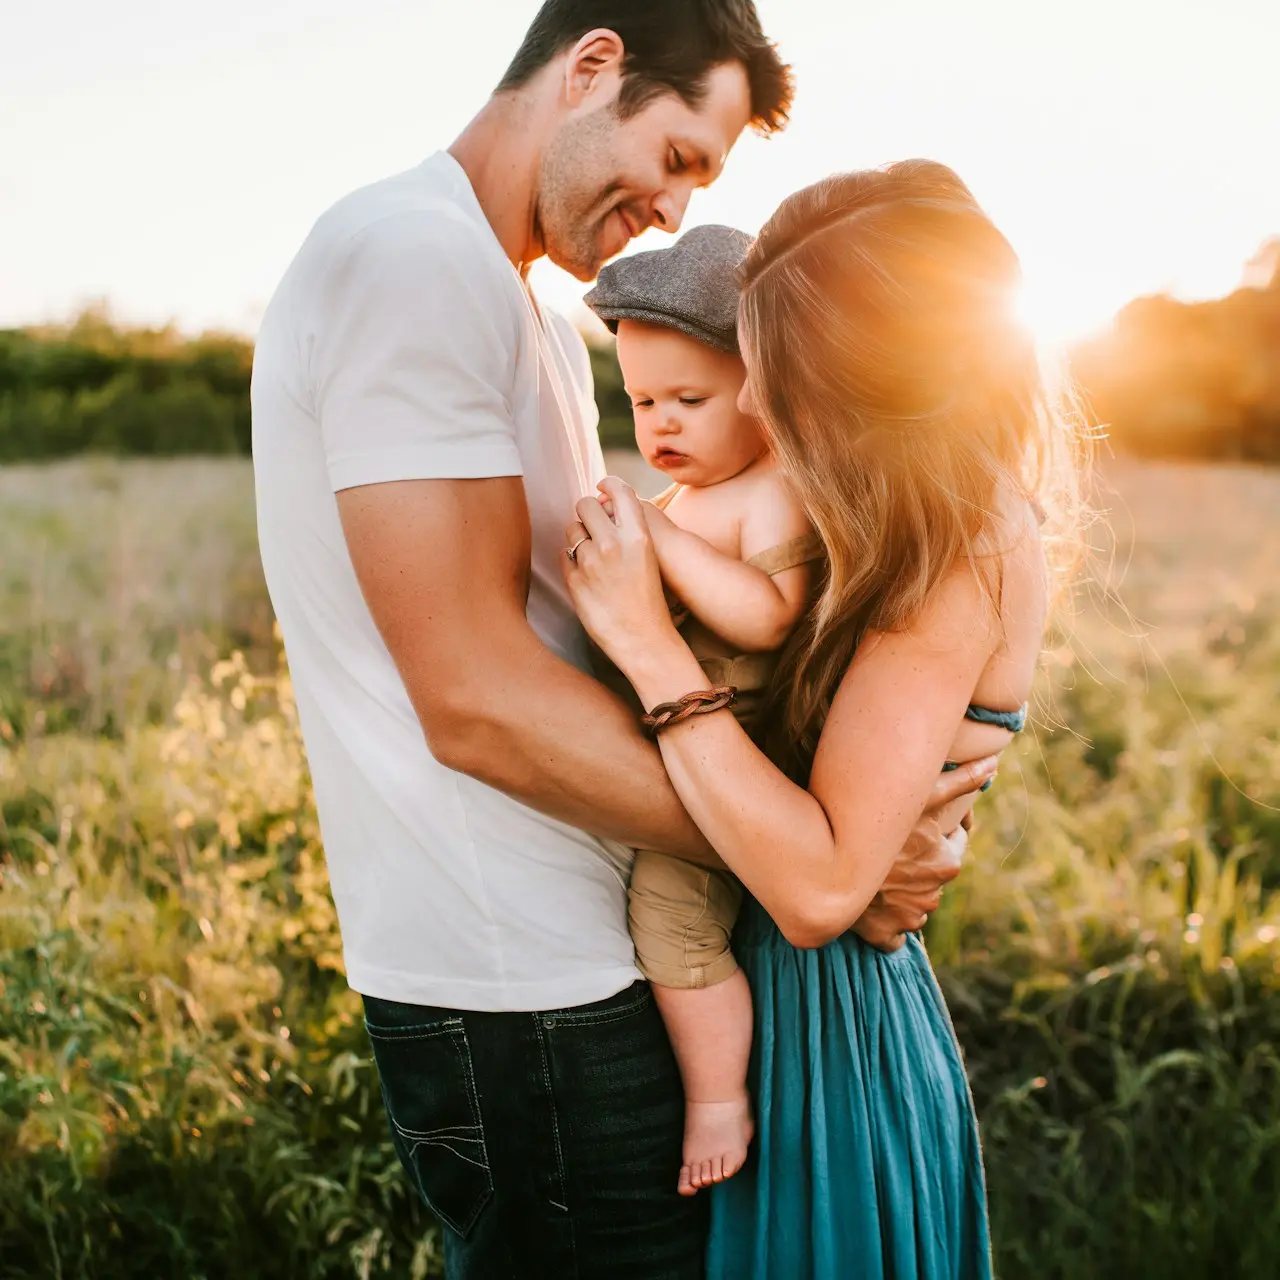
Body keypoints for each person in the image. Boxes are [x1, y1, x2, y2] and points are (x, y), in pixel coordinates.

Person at [251, 0, 993, 1270]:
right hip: (524, 986)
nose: (672, 210)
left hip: (598, 957)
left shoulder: (527, 311)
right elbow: (475, 698)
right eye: (678, 160)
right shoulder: (408, 260)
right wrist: (824, 859)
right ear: (593, 68)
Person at [564, 160, 1083, 1278]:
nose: (750, 400)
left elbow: (815, 888)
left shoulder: (960, 540)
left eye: (778, 370)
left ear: (875, 378)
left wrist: (648, 647)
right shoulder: (877, 513)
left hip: (827, 1036)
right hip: (766, 1002)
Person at [582, 224, 823, 1196]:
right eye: (642, 402)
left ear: (762, 394)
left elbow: (768, 616)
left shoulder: (769, 493)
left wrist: (657, 540)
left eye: (688, 399)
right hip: (677, 748)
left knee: (670, 921)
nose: (661, 426)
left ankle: (717, 1094)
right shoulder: (690, 494)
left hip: (736, 769)